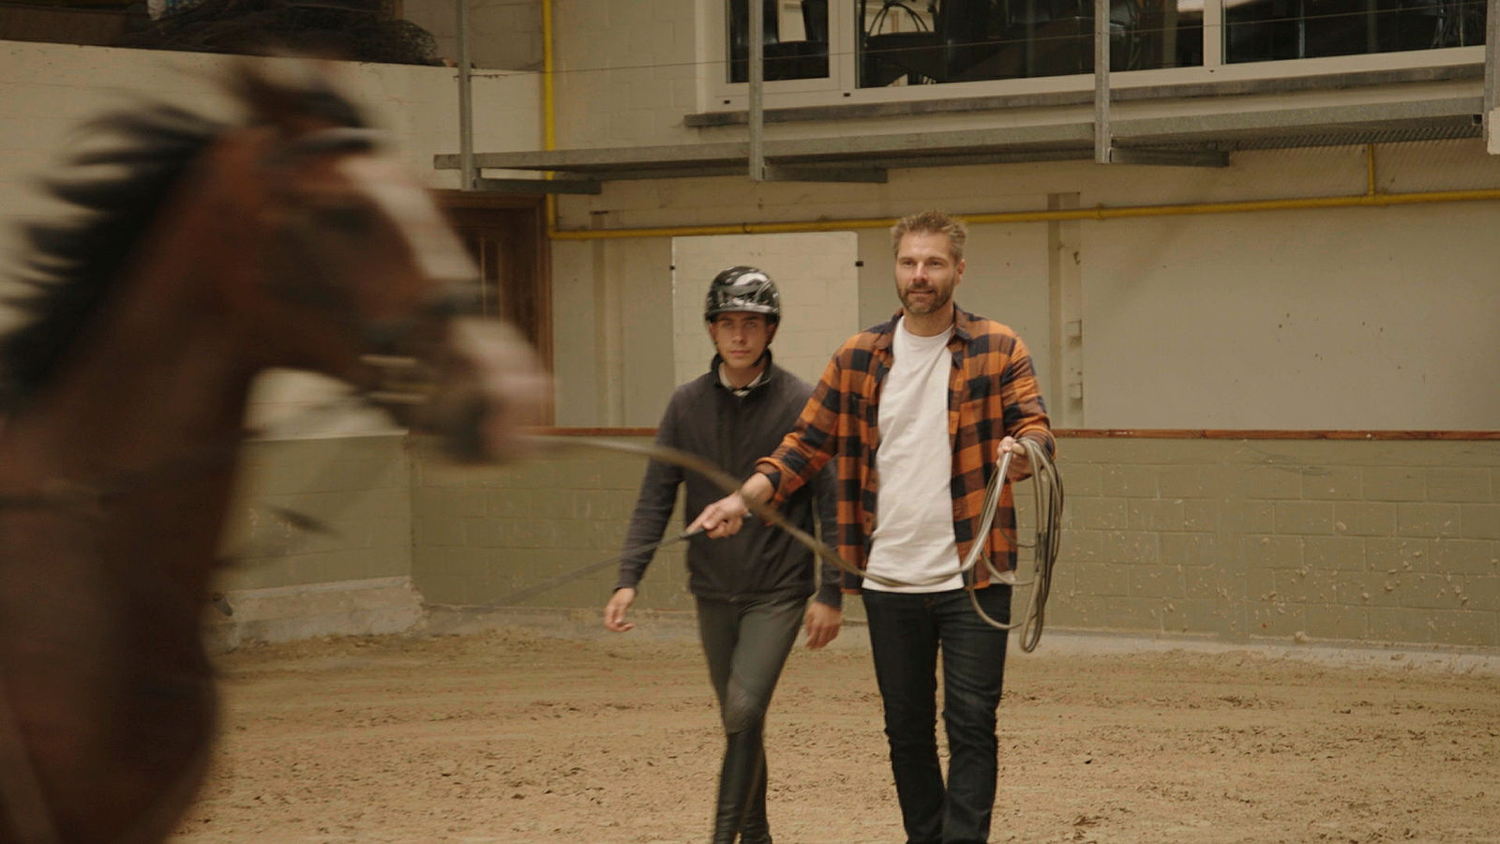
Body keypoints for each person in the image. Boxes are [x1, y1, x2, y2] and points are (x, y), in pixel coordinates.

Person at [690, 211, 1055, 844]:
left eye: (933, 263)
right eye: (909, 262)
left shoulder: (999, 347)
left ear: (958, 270)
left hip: (975, 574)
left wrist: (1024, 452)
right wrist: (742, 501)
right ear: (896, 270)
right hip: (889, 580)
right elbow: (804, 446)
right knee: (906, 730)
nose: (920, 275)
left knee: (971, 723)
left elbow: (1036, 427)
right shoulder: (858, 356)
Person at [603, 266, 843, 844]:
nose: (740, 335)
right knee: (741, 723)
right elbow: (655, 495)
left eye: (752, 324)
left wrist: (831, 590)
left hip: (778, 590)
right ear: (711, 329)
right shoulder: (685, 405)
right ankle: (755, 834)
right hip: (711, 589)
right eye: (728, 322)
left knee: (743, 710)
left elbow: (833, 503)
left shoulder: (802, 403)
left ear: (771, 330)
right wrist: (628, 577)